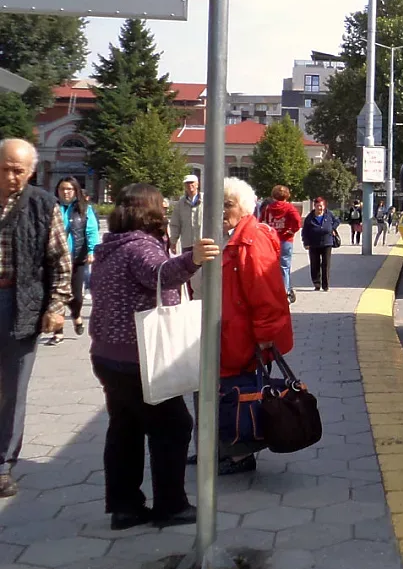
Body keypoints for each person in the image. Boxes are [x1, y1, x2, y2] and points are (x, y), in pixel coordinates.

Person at [88, 183, 220, 527]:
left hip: (107, 356)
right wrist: (192, 259)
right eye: (161, 206)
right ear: (148, 211)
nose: (165, 210)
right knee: (174, 425)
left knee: (125, 428)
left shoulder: (110, 247)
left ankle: (124, 507)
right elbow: (157, 275)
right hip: (140, 357)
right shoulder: (140, 247)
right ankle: (171, 505)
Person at [0, 140, 72, 498]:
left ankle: (3, 464)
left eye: (19, 171)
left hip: (20, 302)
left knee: (13, 389)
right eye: (6, 168)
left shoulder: (42, 205)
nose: (12, 177)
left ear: (30, 172)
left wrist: (56, 306)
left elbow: (60, 259)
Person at [219, 177, 294, 475]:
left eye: (229, 204)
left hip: (244, 340)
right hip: (233, 334)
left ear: (245, 208)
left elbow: (266, 295)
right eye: (220, 203)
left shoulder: (251, 240)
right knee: (233, 392)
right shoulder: (234, 235)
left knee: (241, 394)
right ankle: (232, 450)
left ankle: (241, 454)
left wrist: (264, 339)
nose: (223, 210)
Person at [48, 176, 100, 345]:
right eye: (62, 189)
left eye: (69, 189)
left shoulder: (84, 209)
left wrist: (92, 250)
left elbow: (91, 231)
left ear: (76, 190)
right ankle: (58, 332)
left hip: (77, 258)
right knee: (56, 296)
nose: (66, 192)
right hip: (55, 259)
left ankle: (76, 315)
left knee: (76, 297)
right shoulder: (51, 207)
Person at [260, 185, 302, 304]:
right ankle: (285, 291)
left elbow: (260, 221)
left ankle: (271, 290)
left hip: (270, 239)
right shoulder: (289, 207)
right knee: (285, 266)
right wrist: (291, 230)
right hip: (285, 240)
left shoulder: (268, 208)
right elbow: (297, 221)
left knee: (269, 266)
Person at [301, 197, 340, 292]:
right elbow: (305, 231)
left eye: (322, 206)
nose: (320, 208)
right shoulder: (309, 218)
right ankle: (317, 283)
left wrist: (332, 228)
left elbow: (337, 221)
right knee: (315, 264)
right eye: (318, 206)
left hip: (327, 243)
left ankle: (325, 285)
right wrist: (306, 243)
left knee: (326, 264)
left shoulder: (328, 214)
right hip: (313, 244)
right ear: (314, 206)